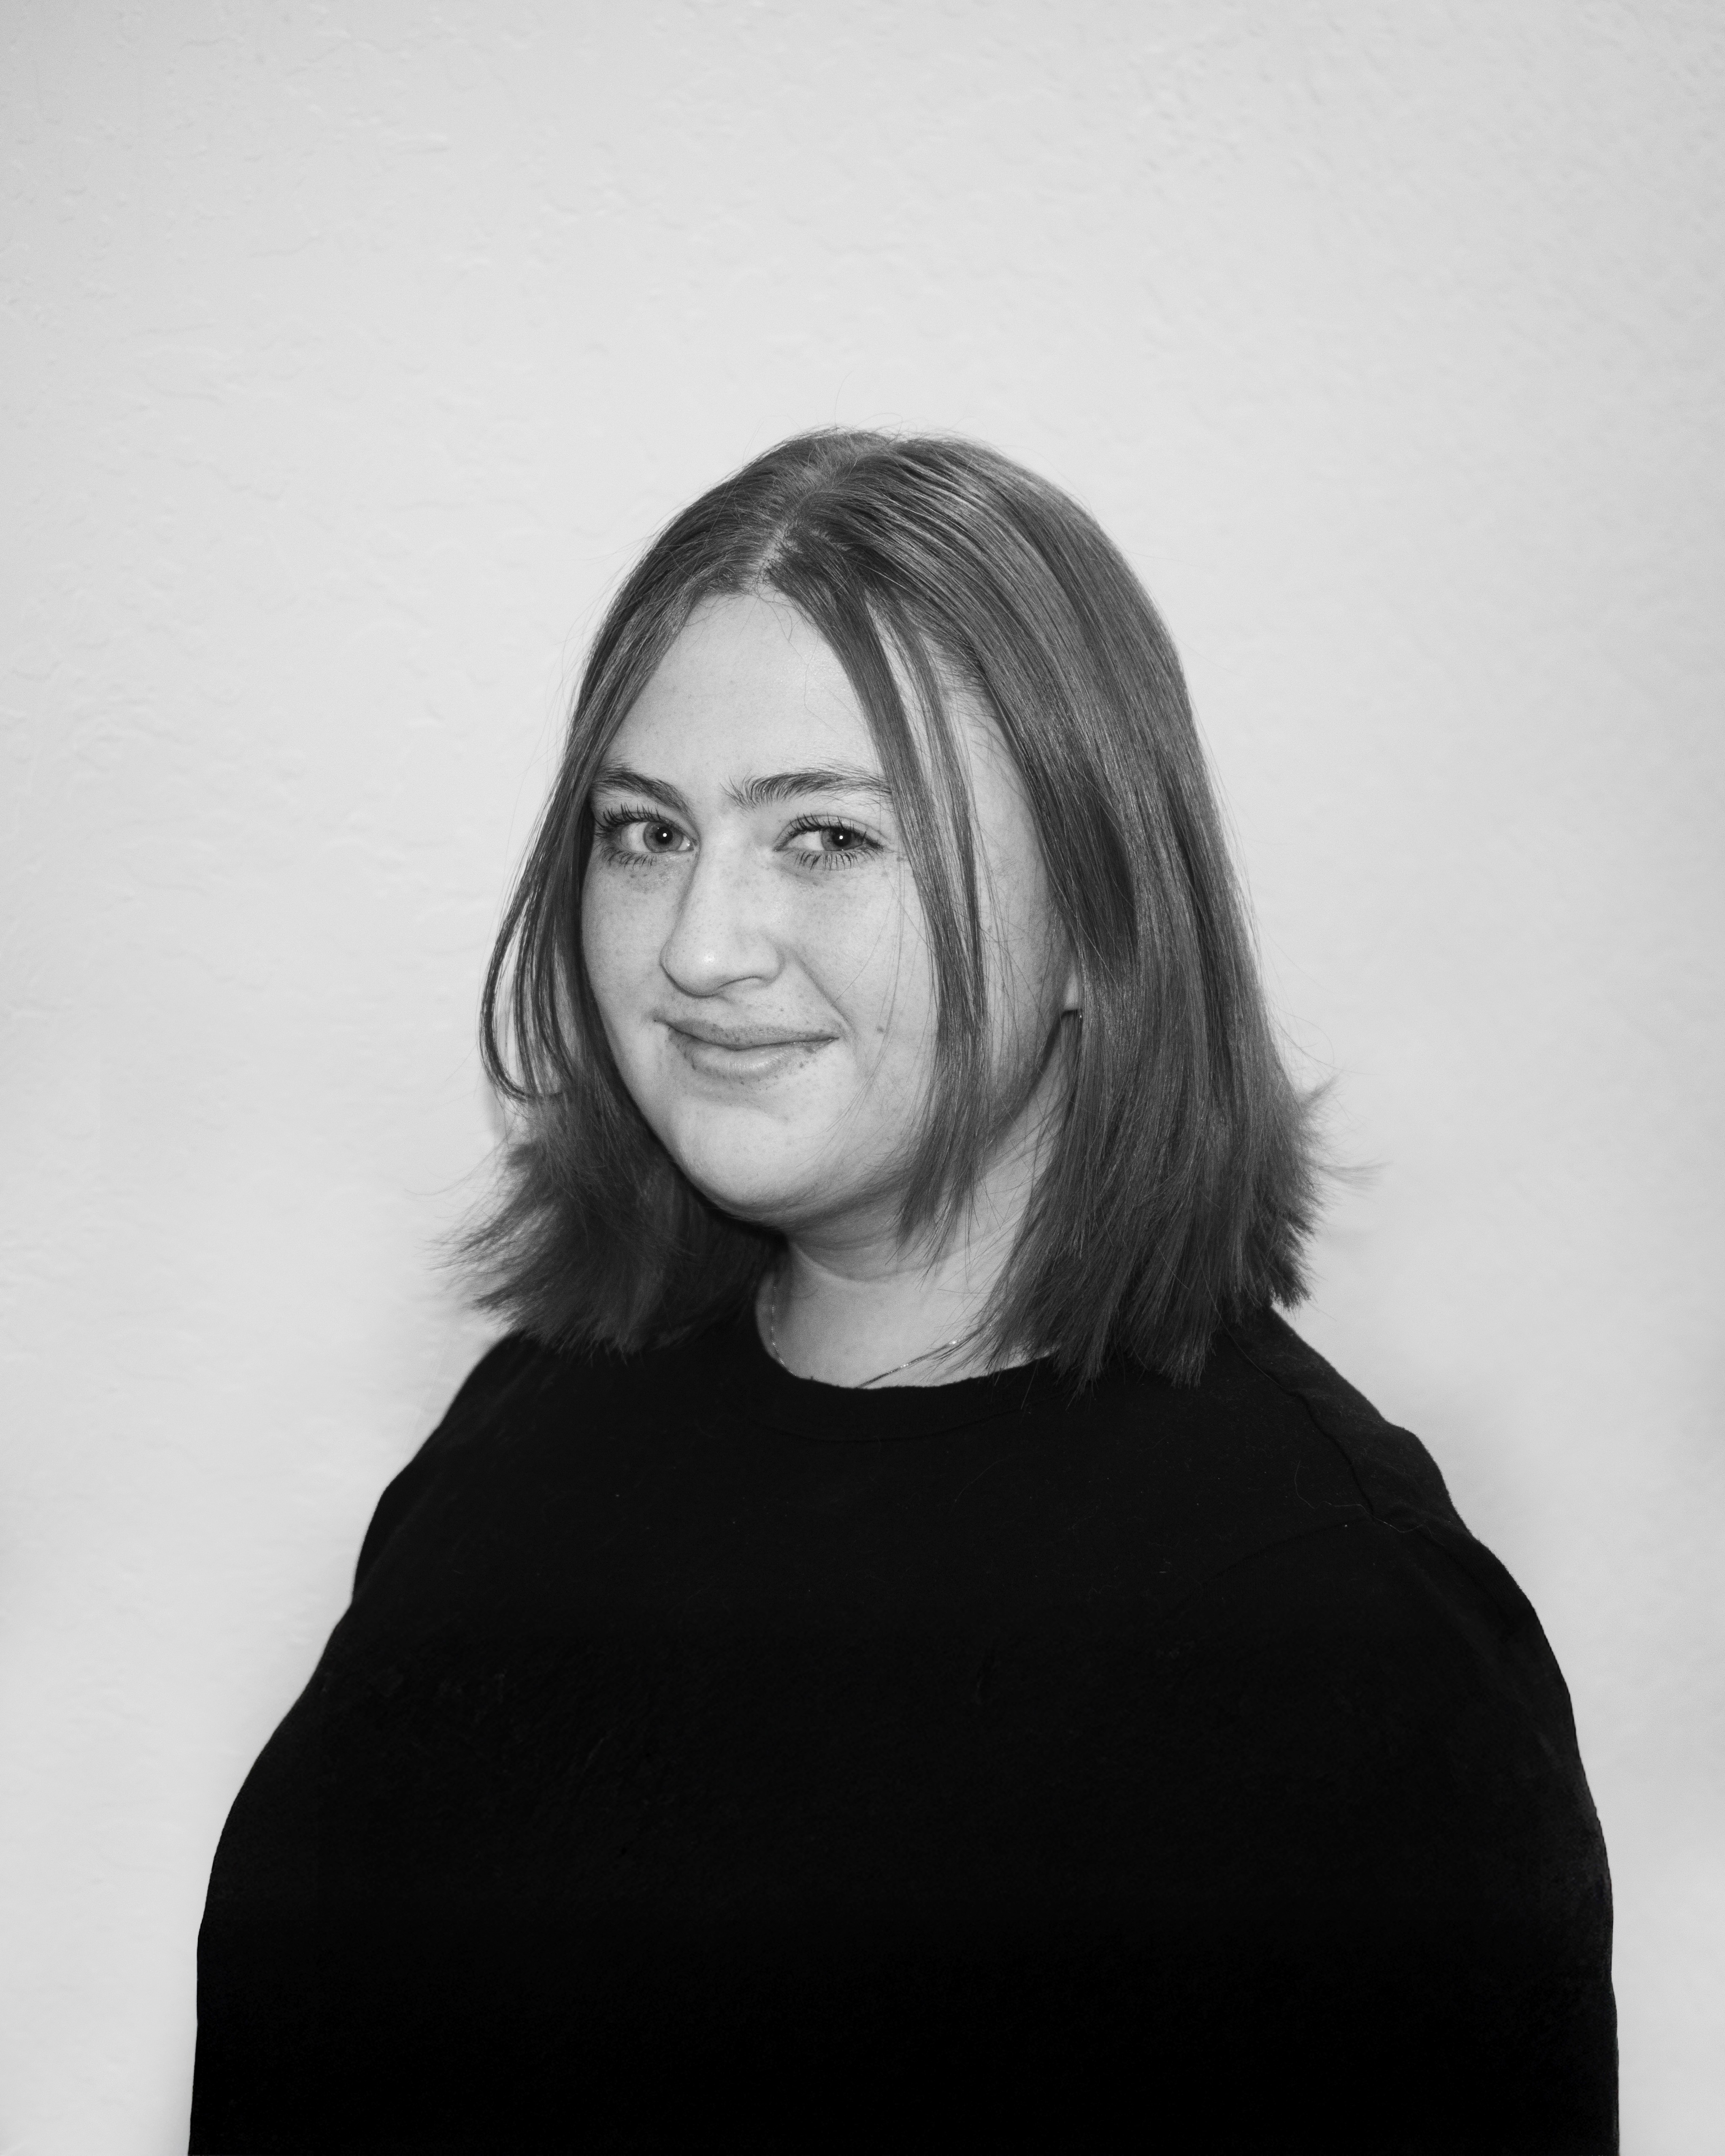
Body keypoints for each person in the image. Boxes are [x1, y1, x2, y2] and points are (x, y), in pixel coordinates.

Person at [190, 430, 1617, 2154]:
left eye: (827, 838)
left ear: (1100, 918)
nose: (699, 944)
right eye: (645, 832)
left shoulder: (1341, 1635)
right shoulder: (537, 1421)